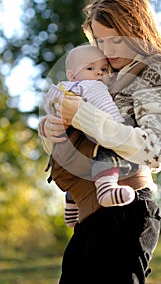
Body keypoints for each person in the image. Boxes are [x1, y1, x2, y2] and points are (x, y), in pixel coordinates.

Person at [40, 0, 161, 284]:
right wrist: (50, 125)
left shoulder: (155, 69)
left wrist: (81, 115)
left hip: (125, 210)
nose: (107, 52)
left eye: (115, 40)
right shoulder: (108, 75)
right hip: (92, 215)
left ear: (137, 28)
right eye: (100, 41)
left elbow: (154, 150)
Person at [43, 44, 137, 226]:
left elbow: (50, 102)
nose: (99, 73)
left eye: (103, 69)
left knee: (77, 167)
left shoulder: (62, 88)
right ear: (72, 75)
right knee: (109, 153)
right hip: (94, 140)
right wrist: (118, 127)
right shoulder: (94, 87)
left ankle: (71, 204)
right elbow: (108, 110)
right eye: (90, 68)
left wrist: (49, 119)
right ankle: (106, 188)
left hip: (70, 149)